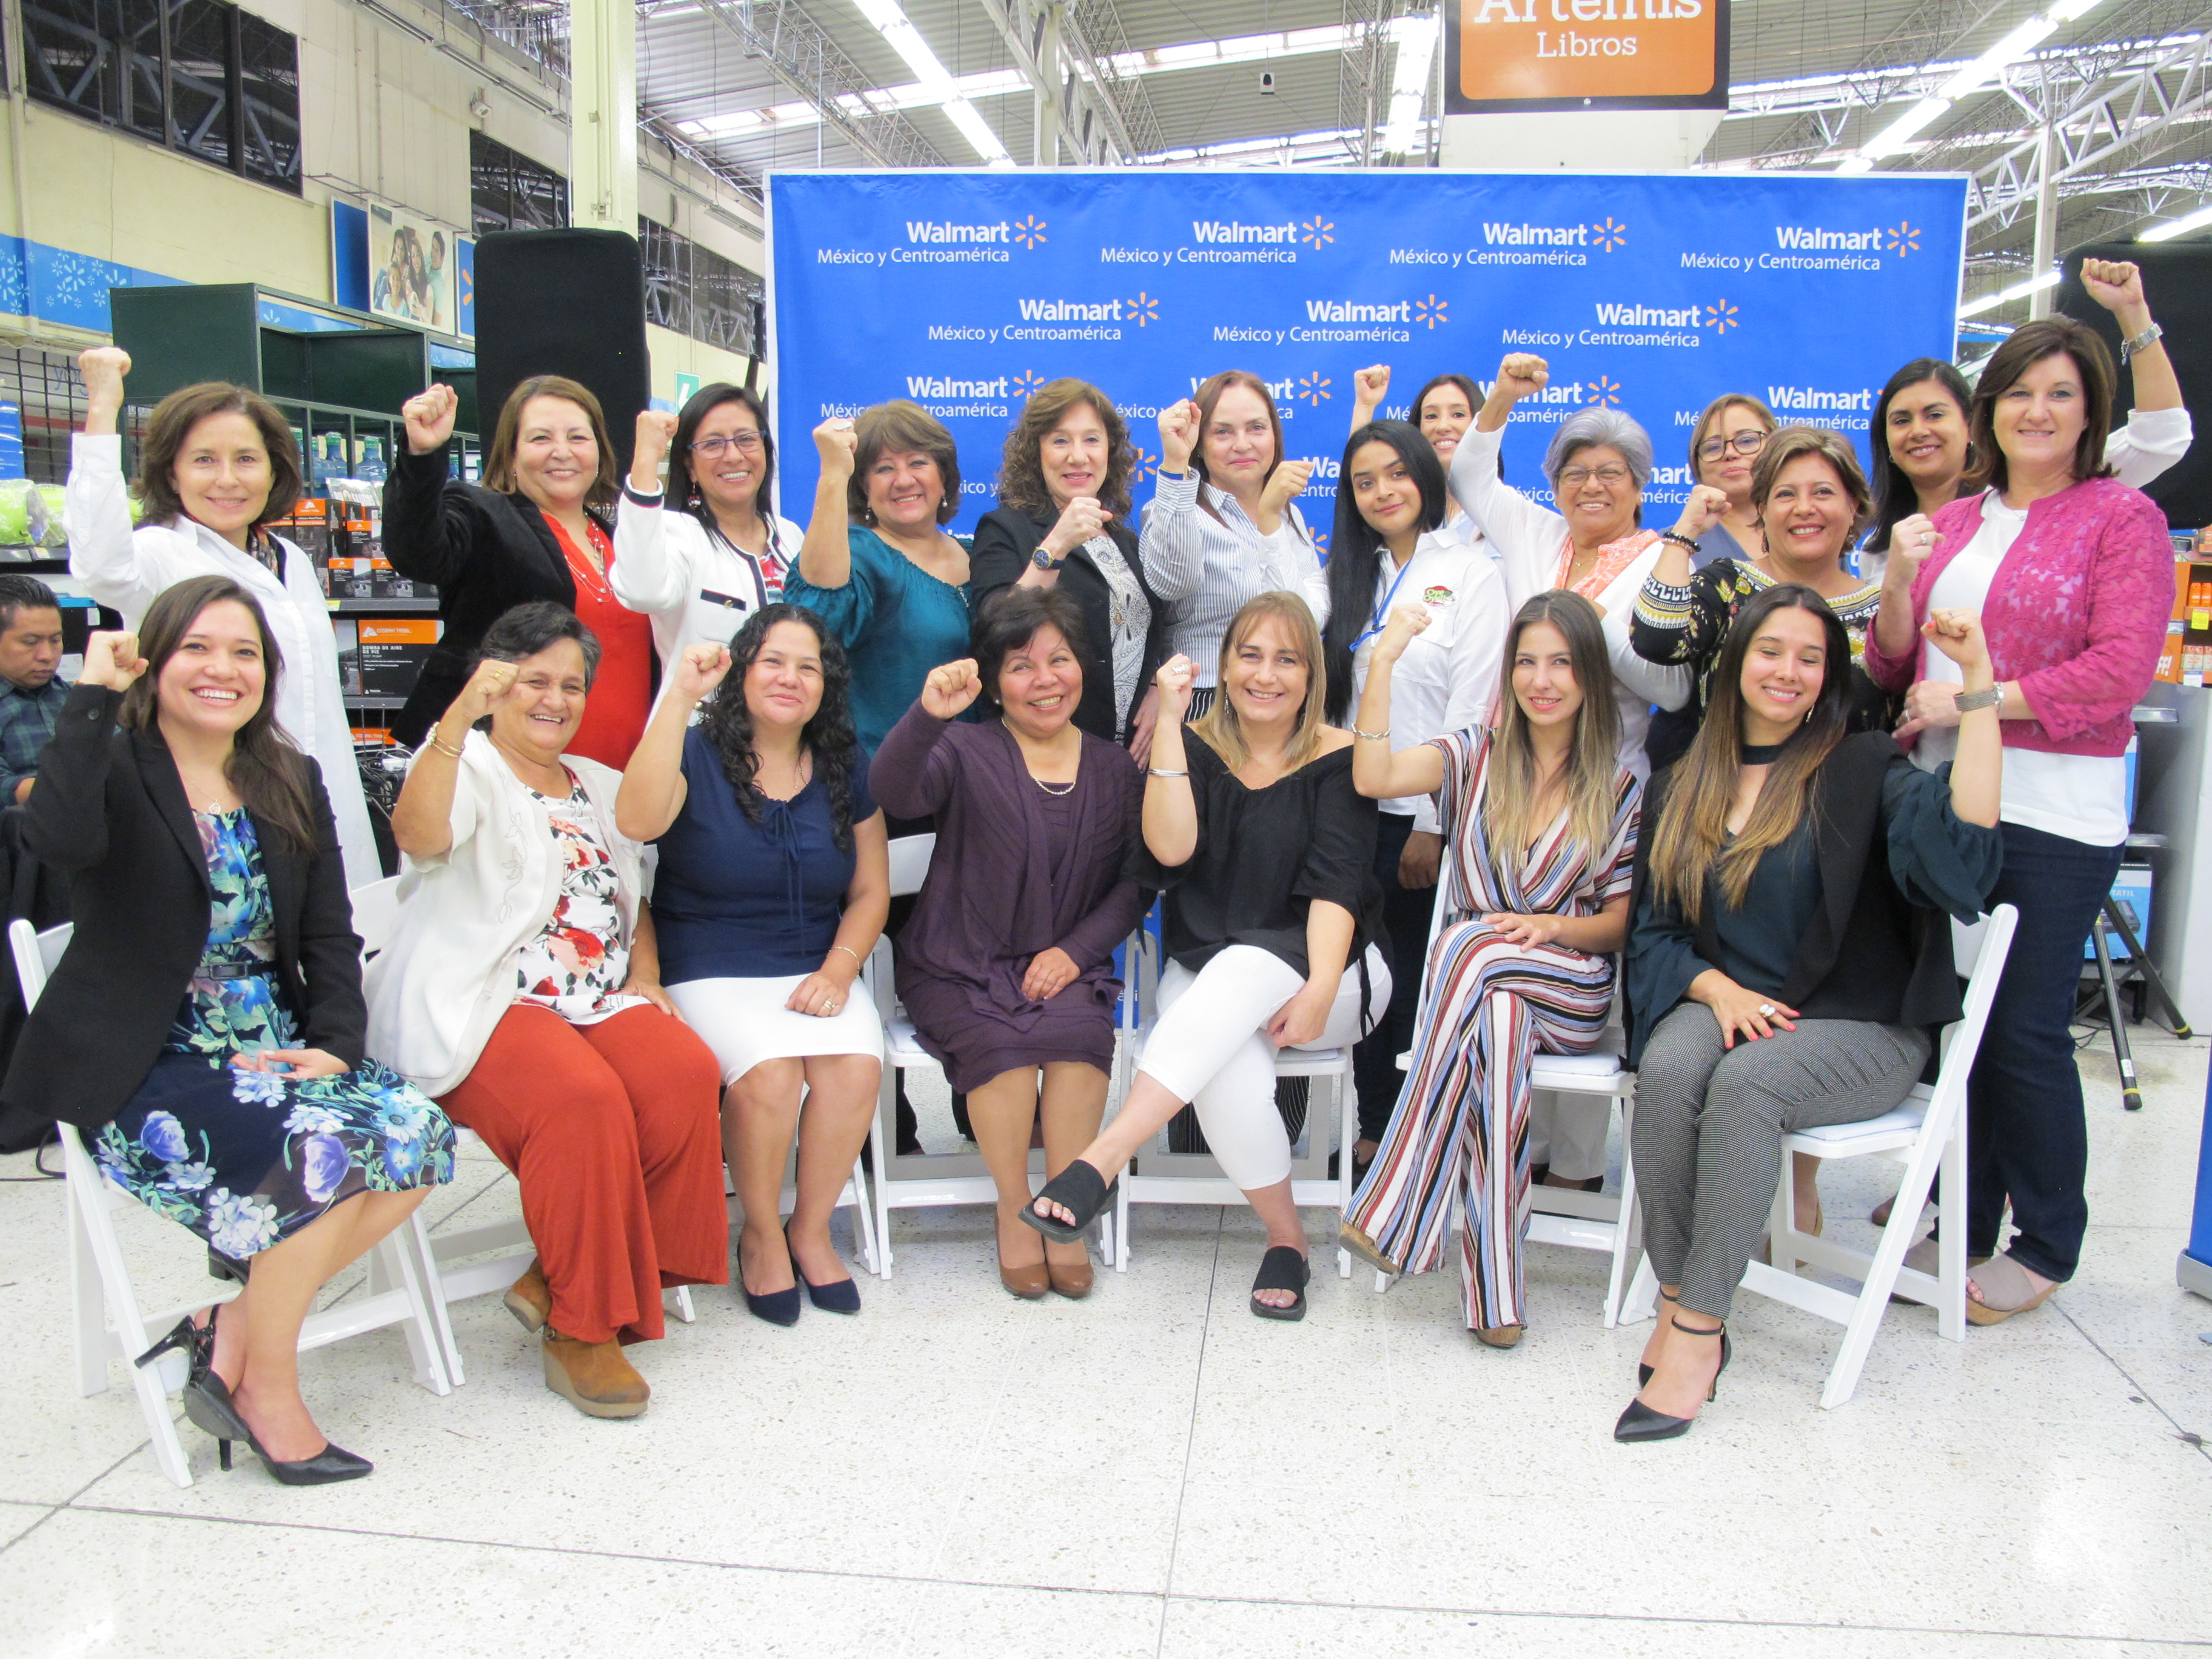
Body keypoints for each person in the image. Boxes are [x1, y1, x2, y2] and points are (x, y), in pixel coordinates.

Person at [0, 576, 454, 1483]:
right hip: (148, 1056)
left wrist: (335, 1039)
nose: (222, 669)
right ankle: (268, 1390)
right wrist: (91, 696)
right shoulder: (116, 761)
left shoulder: (288, 774)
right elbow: (52, 840)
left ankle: (229, 1327)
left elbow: (329, 929)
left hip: (274, 1040)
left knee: (421, 1137)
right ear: (154, 662)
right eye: (197, 649)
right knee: (323, 1158)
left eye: (244, 652)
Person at [1621, 587, 2003, 1441]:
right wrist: (1715, 988)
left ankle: (1697, 1331)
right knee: (1672, 1067)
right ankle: (1680, 1289)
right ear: (1734, 665)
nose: (1787, 671)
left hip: (1860, 1027)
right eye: (1770, 651)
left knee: (1749, 1083)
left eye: (1809, 656)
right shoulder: (1684, 782)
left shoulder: (1864, 768)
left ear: (1829, 676)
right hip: (1729, 1000)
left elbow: (1965, 859)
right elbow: (1653, 932)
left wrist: (1977, 683)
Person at [1864, 315, 2173, 1326]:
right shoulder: (1954, 519)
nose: (2036, 411)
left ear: (2090, 413)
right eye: (2017, 392)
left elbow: (2116, 672)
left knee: (2025, 1028)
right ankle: (1964, 1207)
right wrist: (1902, 583)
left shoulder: (2115, 517)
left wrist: (1975, 703)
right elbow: (1893, 664)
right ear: (1988, 410)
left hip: (2051, 811)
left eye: (2059, 393)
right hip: (1949, 803)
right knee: (1964, 1022)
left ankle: (2044, 1242)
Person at [368, 602, 725, 1419]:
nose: (554, 699)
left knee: (684, 1072)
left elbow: (634, 882)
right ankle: (581, 1326)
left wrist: (647, 972)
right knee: (582, 1100)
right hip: (485, 1002)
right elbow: (421, 836)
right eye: (535, 681)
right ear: (495, 686)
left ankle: (576, 1267)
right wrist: (455, 719)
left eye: (571, 685)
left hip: (591, 1001)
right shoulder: (467, 764)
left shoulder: (597, 783)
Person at [1022, 593, 1390, 1321]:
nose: (1266, 675)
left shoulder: (1342, 754)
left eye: (1287, 659)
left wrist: (1318, 986)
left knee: (1247, 968)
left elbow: (1337, 886)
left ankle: (1100, 1159)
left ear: (1312, 674)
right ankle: (1289, 1240)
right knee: (1225, 1078)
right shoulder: (1192, 745)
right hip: (1209, 970)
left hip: (1332, 970)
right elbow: (1170, 850)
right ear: (1224, 664)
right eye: (1250, 655)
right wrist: (1168, 723)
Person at [1339, 591, 1638, 1345]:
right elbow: (1373, 777)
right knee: (1496, 1021)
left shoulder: (1621, 786)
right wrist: (1383, 662)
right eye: (1528, 662)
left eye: (1561, 663)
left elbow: (1617, 925)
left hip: (1570, 985)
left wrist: (1545, 926)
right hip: (1481, 995)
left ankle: (1400, 1197)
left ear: (1589, 678)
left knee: (1465, 943)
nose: (1542, 680)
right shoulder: (1473, 753)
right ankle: (1495, 1294)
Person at [871, 588, 1149, 1299]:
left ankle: (1066, 1204)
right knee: (1001, 1050)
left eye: (1059, 660)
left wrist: (1075, 951)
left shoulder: (1115, 769)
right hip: (957, 961)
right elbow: (894, 792)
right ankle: (1011, 1206)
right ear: (993, 681)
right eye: (1022, 666)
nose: (1045, 680)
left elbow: (1132, 886)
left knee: (1082, 1036)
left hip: (1067, 963)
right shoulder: (962, 747)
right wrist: (928, 716)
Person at [614, 604, 888, 1326]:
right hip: (710, 966)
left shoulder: (845, 763)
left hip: (814, 964)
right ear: (741, 670)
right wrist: (676, 698)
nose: (790, 678)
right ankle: (762, 1233)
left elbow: (869, 891)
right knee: (771, 1077)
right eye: (772, 661)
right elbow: (636, 824)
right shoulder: (695, 750)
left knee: (854, 1068)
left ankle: (811, 1226)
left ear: (827, 685)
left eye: (808, 666)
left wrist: (839, 971)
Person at [66, 348, 381, 888]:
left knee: (337, 945)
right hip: (221, 810)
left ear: (275, 468)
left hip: (323, 797)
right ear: (173, 471)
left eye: (246, 459)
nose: (228, 480)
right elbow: (97, 562)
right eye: (204, 460)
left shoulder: (293, 560)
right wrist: (102, 408)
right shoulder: (160, 554)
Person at [1305, 420, 1507, 1175]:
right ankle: (1371, 1126)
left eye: (1397, 474)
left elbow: (1475, 710)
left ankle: (1413, 1139)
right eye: (1364, 481)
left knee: (1418, 986)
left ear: (1426, 476)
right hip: (1349, 815)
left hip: (1425, 818)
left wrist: (1433, 819)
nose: (1383, 491)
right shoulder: (1344, 579)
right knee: (1360, 972)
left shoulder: (1474, 572)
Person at [383, 375, 653, 768]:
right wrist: (423, 455)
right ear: (510, 455)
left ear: (600, 451)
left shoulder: (625, 541)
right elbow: (418, 553)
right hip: (512, 781)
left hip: (627, 782)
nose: (562, 452)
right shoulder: (484, 516)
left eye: (578, 438)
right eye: (540, 439)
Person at [1447, 352, 1691, 780]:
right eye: (1575, 474)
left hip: (1607, 784)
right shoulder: (1537, 532)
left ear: (1639, 488)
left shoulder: (1663, 564)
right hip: (1515, 774)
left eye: (1610, 473)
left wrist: (1590, 617)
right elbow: (1468, 476)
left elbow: (1673, 692)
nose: (1591, 486)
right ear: (1556, 489)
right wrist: (1502, 396)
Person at [1864, 258, 2191, 569]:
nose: (1919, 431)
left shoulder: (2045, 479)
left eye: (1935, 415)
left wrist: (2133, 314)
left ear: (1973, 423)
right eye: (1901, 420)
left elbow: (2162, 435)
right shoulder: (1878, 548)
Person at [1633, 426, 1892, 777]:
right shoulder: (1727, 584)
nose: (1804, 508)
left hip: (1842, 816)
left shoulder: (1884, 611)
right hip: (1721, 806)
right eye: (1785, 494)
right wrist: (1684, 535)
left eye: (1823, 492)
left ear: (1853, 507)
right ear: (1762, 510)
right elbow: (1656, 640)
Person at [970, 379, 1167, 752]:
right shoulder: (1006, 529)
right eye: (1060, 441)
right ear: (1036, 452)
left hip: (1127, 758)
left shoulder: (1124, 540)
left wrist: (1156, 687)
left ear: (1110, 450)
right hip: (1043, 752)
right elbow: (995, 631)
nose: (1078, 456)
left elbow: (1149, 631)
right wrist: (1057, 544)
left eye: (1091, 439)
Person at [783, 401, 973, 757]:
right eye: (884, 469)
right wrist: (834, 474)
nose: (904, 480)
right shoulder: (862, 553)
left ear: (943, 476)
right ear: (864, 489)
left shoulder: (980, 553)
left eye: (918, 462)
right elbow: (813, 614)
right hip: (886, 781)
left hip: (975, 782)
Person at [1139, 370, 1320, 720]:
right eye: (1223, 432)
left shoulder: (1289, 513)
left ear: (1274, 435)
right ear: (1200, 444)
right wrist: (1176, 464)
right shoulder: (1175, 508)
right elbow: (1170, 583)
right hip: (1205, 701)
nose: (1242, 444)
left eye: (1256, 428)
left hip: (1283, 701)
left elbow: (1306, 615)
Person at [614, 384, 803, 665]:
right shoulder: (675, 534)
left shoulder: (791, 535)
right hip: (703, 709)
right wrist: (646, 458)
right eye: (712, 444)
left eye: (747, 439)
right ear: (690, 466)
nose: (733, 456)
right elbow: (643, 594)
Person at [1348, 365, 1487, 549]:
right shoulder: (1404, 506)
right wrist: (1365, 406)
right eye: (1431, 416)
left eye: (1458, 414)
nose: (1443, 426)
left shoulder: (1503, 509)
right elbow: (1361, 469)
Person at [1682, 395, 1779, 569]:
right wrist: (1681, 538)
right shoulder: (1673, 543)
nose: (1730, 453)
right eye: (1714, 447)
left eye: (1747, 441)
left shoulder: (1810, 531)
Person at [0, 575, 70, 803]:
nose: (47, 656)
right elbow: (4, 789)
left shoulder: (75, 699)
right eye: (30, 642)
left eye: (55, 640)